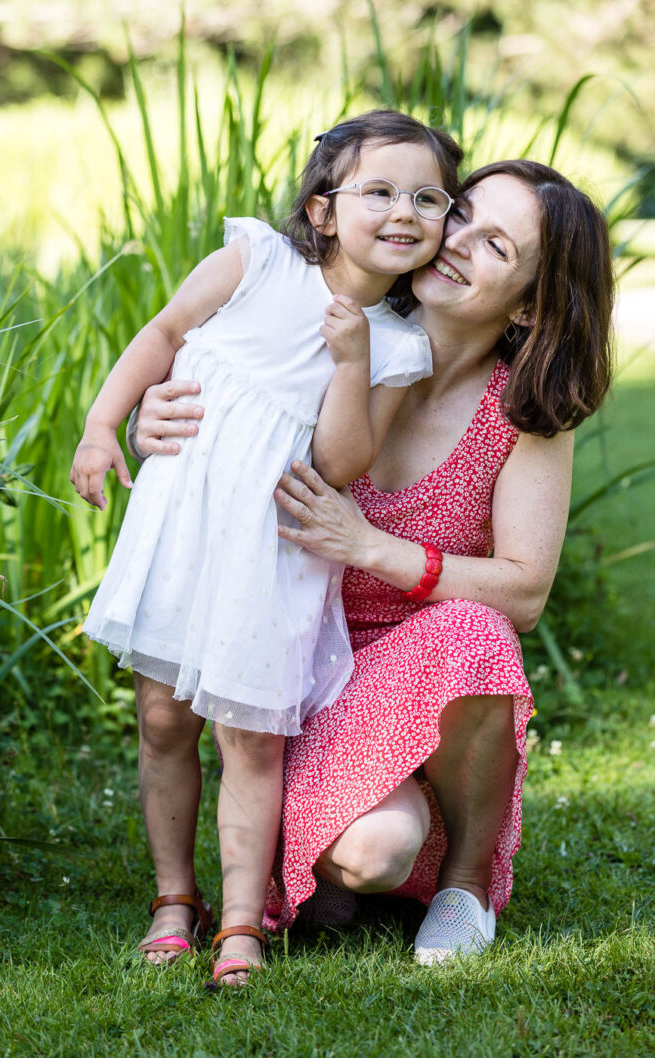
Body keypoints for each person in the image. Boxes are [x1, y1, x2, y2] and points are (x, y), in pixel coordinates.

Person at [131, 159, 613, 965]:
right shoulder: (335, 328)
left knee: (476, 632)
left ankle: (461, 888)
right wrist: (156, 411)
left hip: (416, 671)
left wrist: (370, 548)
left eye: (494, 244)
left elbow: (523, 589)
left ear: (531, 299)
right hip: (292, 660)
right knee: (374, 851)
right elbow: (212, 375)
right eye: (458, 213)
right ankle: (324, 858)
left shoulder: (523, 412)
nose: (452, 241)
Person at [70, 110, 463, 984]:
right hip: (186, 533)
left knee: (251, 739)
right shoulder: (254, 262)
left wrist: (352, 360)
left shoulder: (397, 343)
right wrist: (104, 425)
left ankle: (240, 922)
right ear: (323, 210)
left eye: (428, 197)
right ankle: (175, 896)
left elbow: (338, 463)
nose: (405, 212)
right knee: (163, 717)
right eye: (380, 192)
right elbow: (163, 336)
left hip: (277, 556)